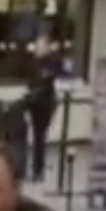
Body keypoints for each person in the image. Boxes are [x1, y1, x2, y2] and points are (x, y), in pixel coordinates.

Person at [23, 36, 65, 183]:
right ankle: (34, 167)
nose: (38, 49)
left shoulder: (53, 61)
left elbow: (58, 76)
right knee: (36, 135)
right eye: (37, 46)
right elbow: (30, 81)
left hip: (46, 102)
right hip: (34, 101)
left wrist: (55, 55)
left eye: (41, 46)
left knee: (40, 136)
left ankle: (38, 169)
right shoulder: (33, 63)